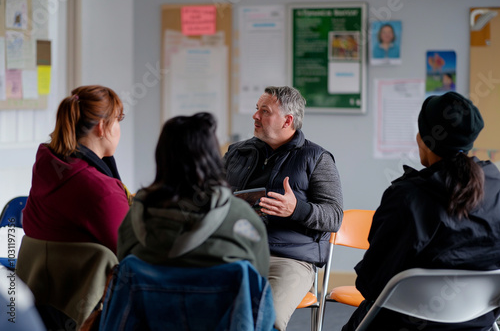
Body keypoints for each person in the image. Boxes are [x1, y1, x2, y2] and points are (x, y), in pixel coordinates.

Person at [343, 91, 500, 331]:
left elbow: (371, 283)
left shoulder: (407, 198)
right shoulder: (496, 189)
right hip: (477, 324)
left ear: (423, 139)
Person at [224, 86, 343, 330]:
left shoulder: (317, 158)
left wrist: (297, 209)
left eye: (264, 111)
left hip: (289, 259)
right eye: (257, 109)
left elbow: (334, 217)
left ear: (288, 120)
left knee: (264, 319)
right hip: (236, 251)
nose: (255, 116)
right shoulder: (237, 153)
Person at [117, 112, 269, 277]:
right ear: (211, 156)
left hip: (150, 302)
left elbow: (122, 261)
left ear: (161, 156)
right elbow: (259, 278)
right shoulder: (240, 216)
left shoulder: (137, 214)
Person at [22, 85, 130, 254]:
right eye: (117, 119)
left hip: (40, 278)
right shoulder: (102, 191)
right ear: (101, 126)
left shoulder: (47, 167)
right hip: (90, 280)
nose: (119, 128)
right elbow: (132, 252)